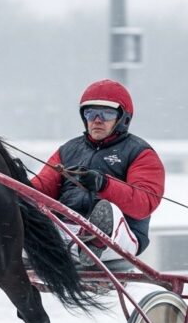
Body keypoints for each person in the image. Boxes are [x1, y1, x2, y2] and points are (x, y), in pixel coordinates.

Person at [30, 79, 165, 264]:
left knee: (108, 210)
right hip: (67, 231)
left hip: (120, 239)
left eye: (107, 114)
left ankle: (93, 241)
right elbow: (39, 189)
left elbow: (144, 203)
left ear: (122, 118)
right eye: (91, 113)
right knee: (24, 208)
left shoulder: (140, 153)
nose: (97, 120)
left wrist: (104, 185)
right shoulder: (68, 149)